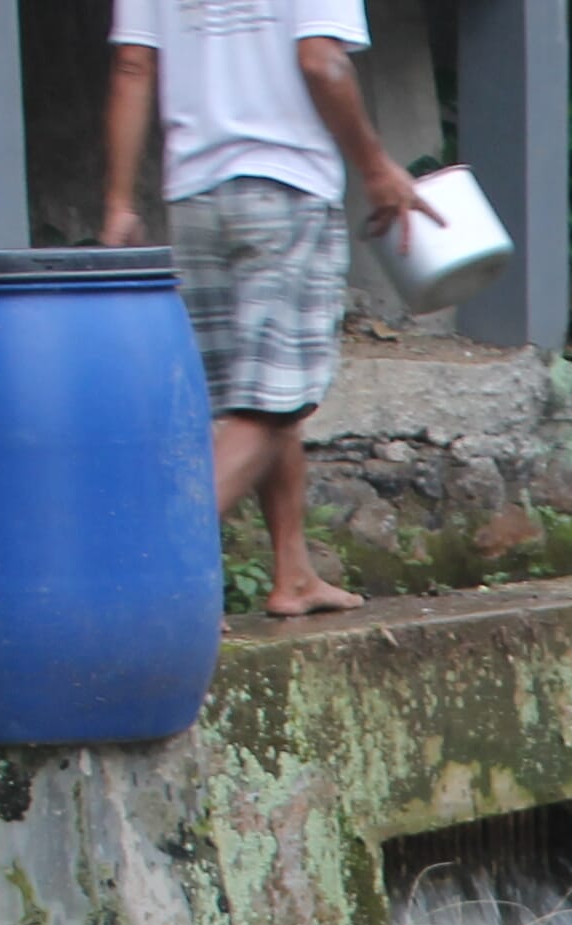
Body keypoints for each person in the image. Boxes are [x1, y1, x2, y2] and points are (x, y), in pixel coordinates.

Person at [100, 0, 435, 618]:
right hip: (285, 187)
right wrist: (375, 166)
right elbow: (321, 61)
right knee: (270, 405)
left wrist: (119, 203)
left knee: (263, 397)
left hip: (194, 199)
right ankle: (135, 566)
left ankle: (293, 574)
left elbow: (132, 66)